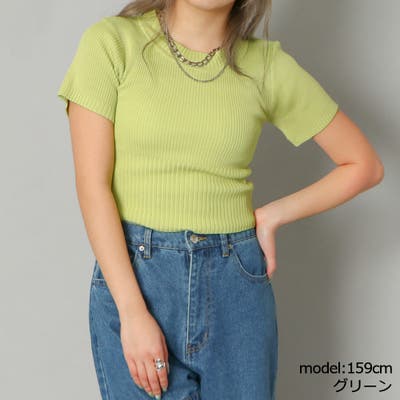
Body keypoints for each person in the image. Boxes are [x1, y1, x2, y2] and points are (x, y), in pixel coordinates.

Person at [56, 1, 384, 399]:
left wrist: (273, 215)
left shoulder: (265, 66)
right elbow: (92, 185)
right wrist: (132, 311)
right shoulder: (112, 43)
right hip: (137, 278)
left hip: (236, 287)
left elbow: (364, 165)